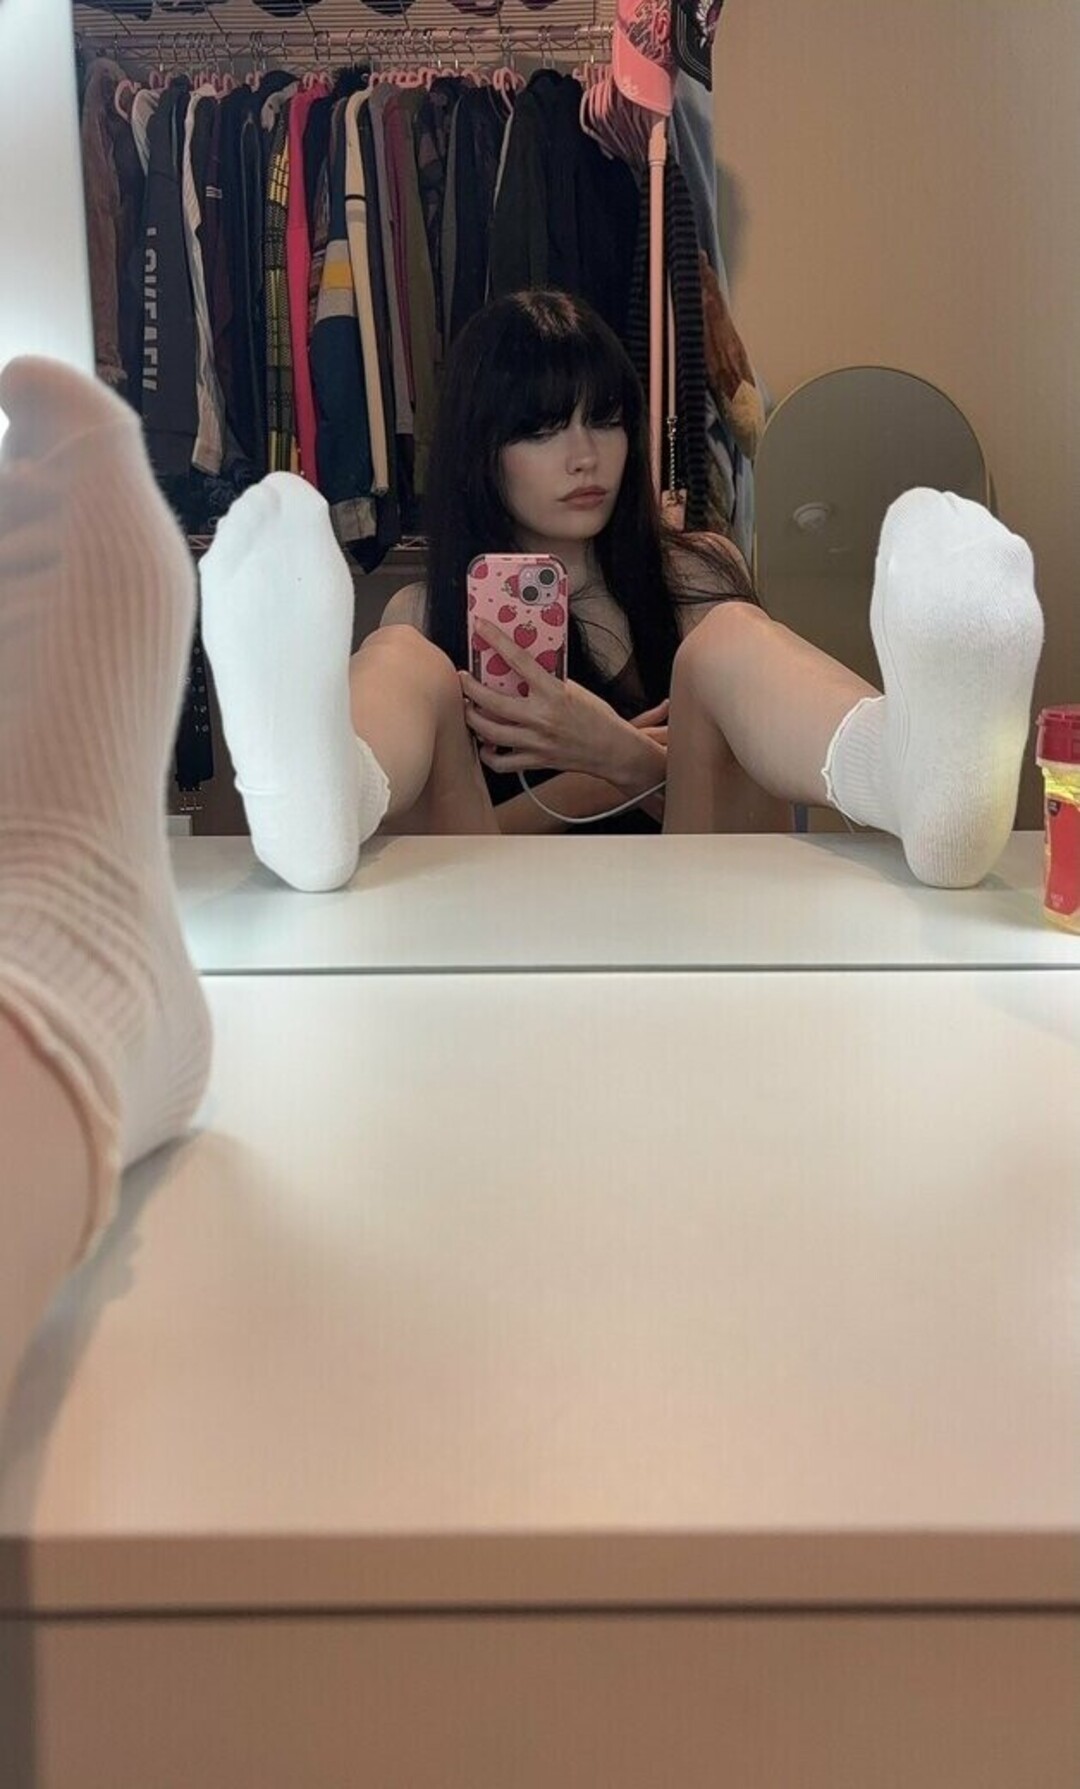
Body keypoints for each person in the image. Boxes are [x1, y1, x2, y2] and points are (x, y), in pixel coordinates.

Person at [0, 311, 1043, 1415]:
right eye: (543, 429)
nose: (585, 456)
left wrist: (615, 753)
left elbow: (757, 795)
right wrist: (595, 767)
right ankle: (315, 799)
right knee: (406, 661)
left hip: (702, 917)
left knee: (726, 647)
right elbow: (471, 850)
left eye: (604, 420)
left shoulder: (695, 573)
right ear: (484, 450)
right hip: (485, 942)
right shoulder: (437, 610)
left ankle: (920, 778)